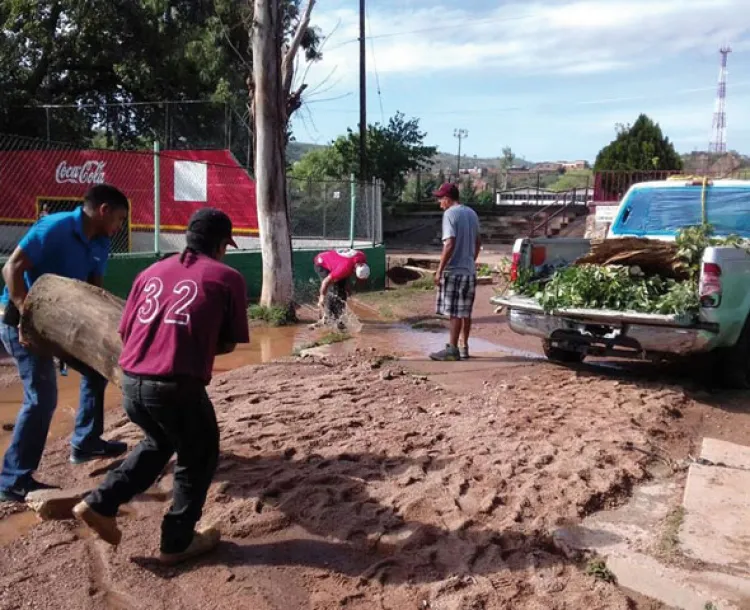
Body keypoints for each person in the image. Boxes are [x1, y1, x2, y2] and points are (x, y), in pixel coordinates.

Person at [73, 208, 250, 565]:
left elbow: (125, 332)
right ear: (219, 244)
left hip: (131, 383)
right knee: (198, 454)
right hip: (175, 386)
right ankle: (177, 541)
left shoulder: (149, 272)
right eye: (225, 246)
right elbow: (229, 343)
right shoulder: (227, 277)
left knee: (159, 441)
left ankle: (99, 502)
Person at [0, 184, 130, 502]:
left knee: (97, 369)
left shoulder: (100, 243)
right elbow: (12, 268)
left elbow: (94, 291)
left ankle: (86, 443)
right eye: (119, 218)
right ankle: (12, 480)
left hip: (64, 324)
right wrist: (26, 318)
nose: (119, 226)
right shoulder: (54, 227)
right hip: (23, 322)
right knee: (41, 399)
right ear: (104, 210)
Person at [429, 183, 481, 361]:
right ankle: (465, 346)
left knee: (454, 312)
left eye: (440, 199)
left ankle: (452, 349)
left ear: (447, 198)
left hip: (455, 271)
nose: (439, 203)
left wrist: (439, 269)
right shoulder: (472, 213)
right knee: (465, 311)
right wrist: (470, 261)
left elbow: (449, 243)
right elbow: (478, 243)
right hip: (469, 271)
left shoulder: (450, 214)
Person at [313, 248, 370, 327]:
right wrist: (322, 296)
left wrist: (348, 289)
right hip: (322, 263)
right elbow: (325, 281)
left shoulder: (362, 257)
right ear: (354, 270)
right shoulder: (343, 268)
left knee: (342, 292)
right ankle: (328, 318)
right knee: (332, 290)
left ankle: (339, 318)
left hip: (337, 262)